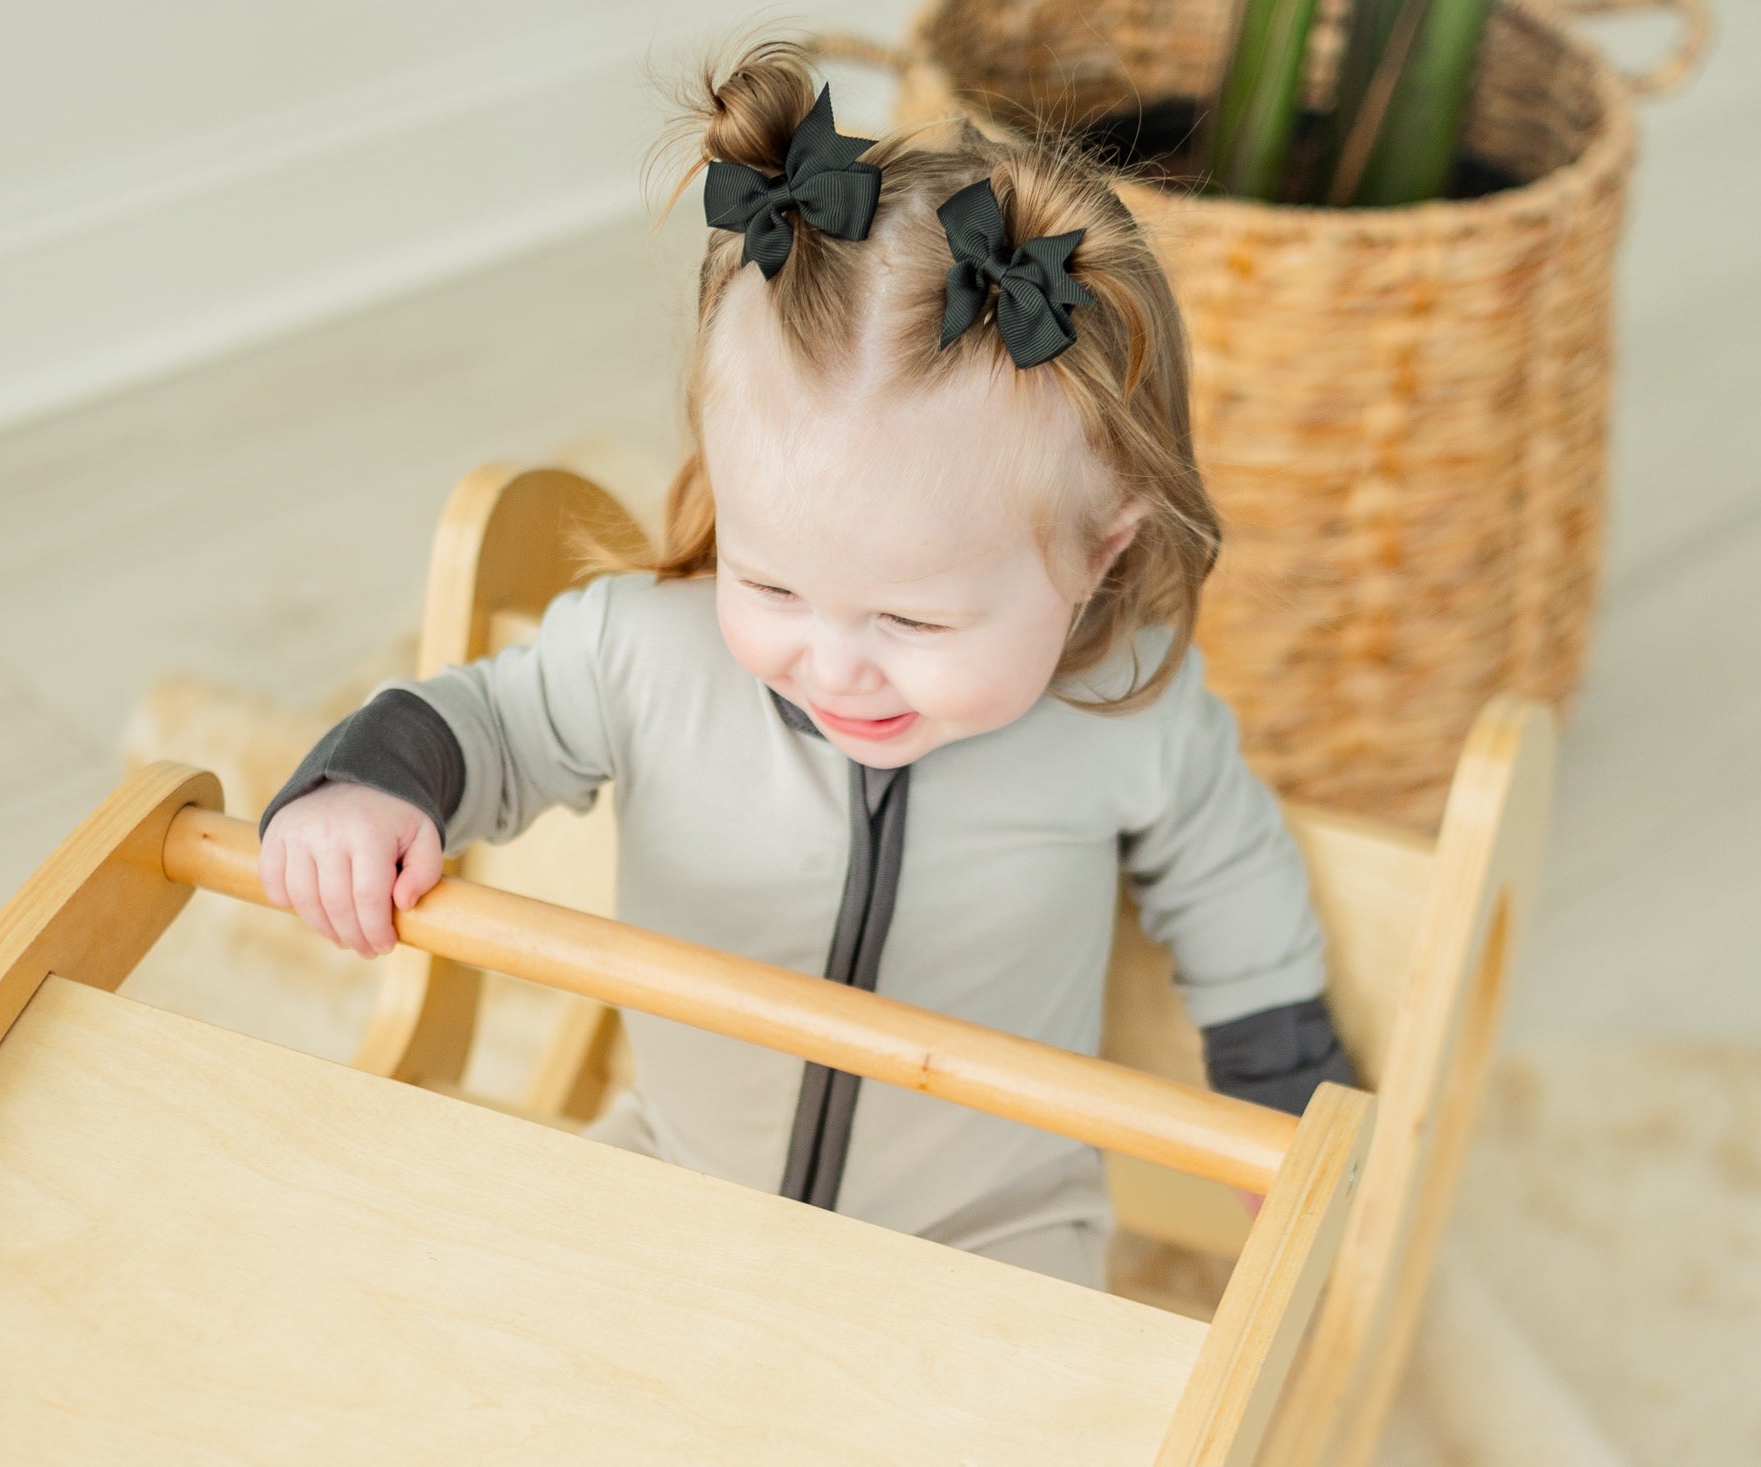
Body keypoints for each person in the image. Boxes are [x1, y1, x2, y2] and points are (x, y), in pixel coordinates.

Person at [256, 38, 1353, 1289]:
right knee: (541, 1340)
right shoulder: (644, 655)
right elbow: (492, 724)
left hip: (994, 1233)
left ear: (1101, 555)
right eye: (770, 582)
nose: (834, 666)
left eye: (915, 624)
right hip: (680, 1166)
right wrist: (376, 784)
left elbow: (1227, 874)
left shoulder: (1126, 720)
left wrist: (1280, 1083)